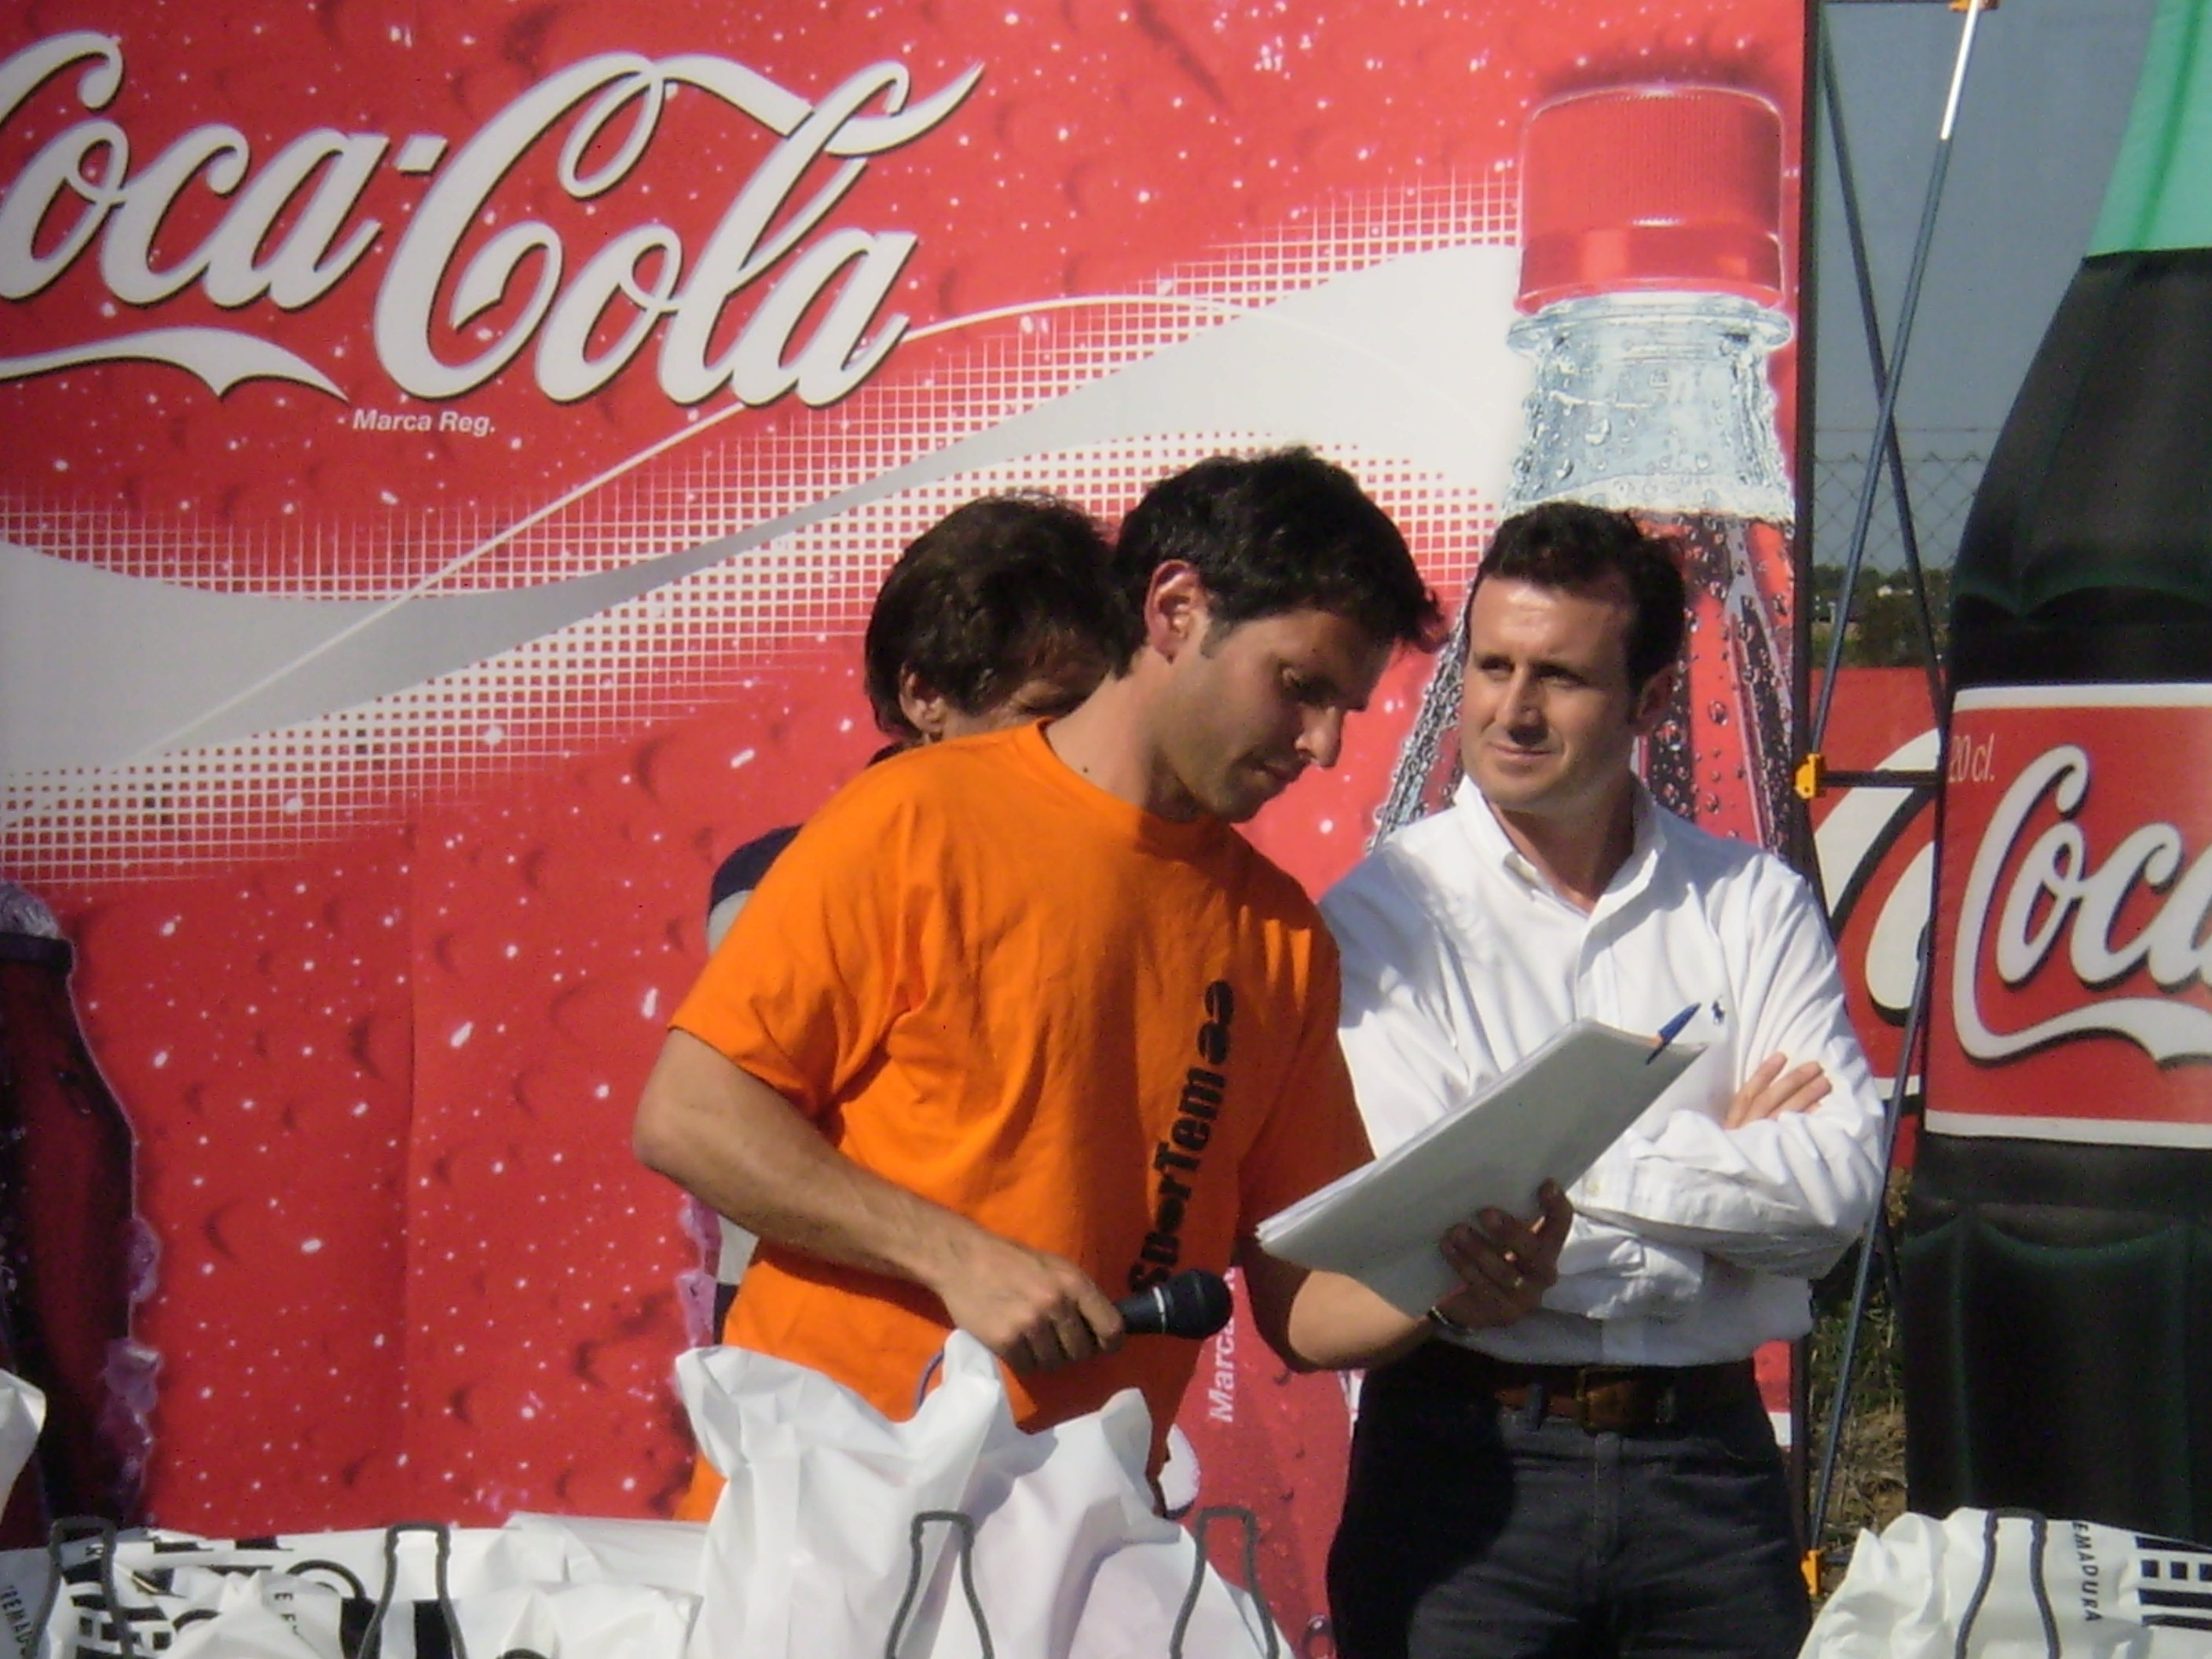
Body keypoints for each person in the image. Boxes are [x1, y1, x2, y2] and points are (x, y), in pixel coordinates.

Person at [633, 448, 1571, 1518]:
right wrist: (953, 1257)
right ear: (1175, 609)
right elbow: (690, 1116)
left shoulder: (1280, 935)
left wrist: (1450, 1282)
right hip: (822, 1512)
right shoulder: (917, 817)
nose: (1320, 744)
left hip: (1079, 1538)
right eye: (1299, 688)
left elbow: (1306, 1301)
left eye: (1344, 710)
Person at [1320, 502, 1884, 1659]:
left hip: (1711, 1469)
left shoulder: (1753, 902)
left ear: (1652, 699)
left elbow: (1833, 1199)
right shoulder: (1380, 912)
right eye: (1492, 666)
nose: (1512, 710)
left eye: (1561, 677)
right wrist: (1720, 1197)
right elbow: (1425, 1218)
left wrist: (1538, 1161)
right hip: (1463, 1464)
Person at [703, 493, 1122, 951]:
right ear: (925, 696)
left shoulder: (1143, 863)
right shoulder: (778, 883)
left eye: (1100, 711)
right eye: (1051, 713)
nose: (1085, 741)